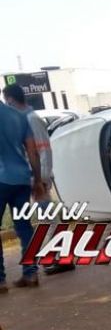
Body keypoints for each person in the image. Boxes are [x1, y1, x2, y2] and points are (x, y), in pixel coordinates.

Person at [2, 85, 75, 276]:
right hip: (34, 177)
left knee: (49, 218)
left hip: (39, 178)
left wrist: (41, 180)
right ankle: (60, 257)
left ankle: (63, 258)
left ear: (10, 100)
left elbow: (44, 150)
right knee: (46, 218)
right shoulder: (24, 120)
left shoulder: (31, 119)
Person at [0, 99, 45, 290]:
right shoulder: (18, 115)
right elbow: (32, 151)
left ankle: (0, 280)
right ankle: (31, 272)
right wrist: (37, 178)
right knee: (25, 227)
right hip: (22, 179)